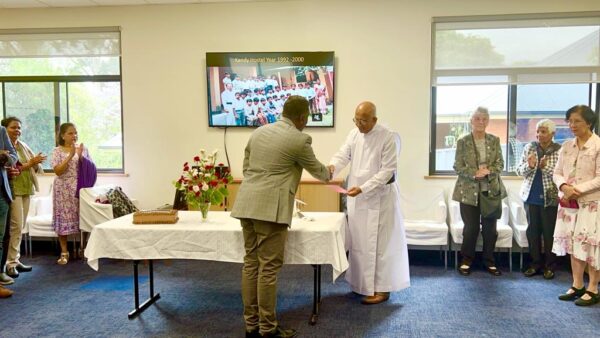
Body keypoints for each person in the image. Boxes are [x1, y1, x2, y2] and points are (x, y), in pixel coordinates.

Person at [231, 95, 330, 338]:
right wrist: (330, 172)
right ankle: (267, 328)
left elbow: (246, 167)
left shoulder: (258, 132)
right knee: (268, 269)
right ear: (302, 118)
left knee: (251, 263)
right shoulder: (299, 139)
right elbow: (319, 172)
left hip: (246, 203)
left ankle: (251, 325)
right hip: (270, 211)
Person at [328, 101, 410, 305]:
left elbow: (387, 171)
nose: (359, 124)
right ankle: (361, 285)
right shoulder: (354, 133)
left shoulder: (388, 136)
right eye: (356, 120)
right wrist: (331, 168)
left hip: (381, 198)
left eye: (364, 121)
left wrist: (364, 187)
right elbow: (342, 154)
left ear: (374, 119)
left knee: (381, 245)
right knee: (360, 243)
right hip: (358, 198)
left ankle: (382, 289)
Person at [553, 105, 600, 306]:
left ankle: (593, 288)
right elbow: (556, 172)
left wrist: (576, 189)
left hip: (591, 204)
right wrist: (563, 186)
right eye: (570, 121)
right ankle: (577, 284)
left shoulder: (597, 145)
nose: (572, 125)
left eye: (577, 121)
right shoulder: (567, 146)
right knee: (573, 244)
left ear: (589, 122)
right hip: (568, 204)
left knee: (590, 246)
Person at [452, 106, 507, 276]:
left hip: (490, 191)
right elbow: (457, 166)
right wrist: (474, 173)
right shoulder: (463, 141)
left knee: (490, 229)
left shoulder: (494, 140)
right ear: (471, 121)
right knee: (471, 228)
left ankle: (489, 261)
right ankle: (466, 260)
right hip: (468, 191)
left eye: (484, 119)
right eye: (477, 119)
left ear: (488, 121)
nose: (481, 122)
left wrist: (487, 171)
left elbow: (500, 164)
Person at [515, 119, 561, 279]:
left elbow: (560, 175)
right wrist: (531, 165)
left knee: (549, 234)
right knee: (532, 232)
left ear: (552, 134)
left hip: (550, 199)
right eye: (538, 131)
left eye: (543, 132)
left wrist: (545, 167)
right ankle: (534, 264)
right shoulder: (529, 147)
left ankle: (549, 266)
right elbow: (519, 171)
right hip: (530, 197)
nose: (539, 135)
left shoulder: (559, 150)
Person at [2, 117, 46, 279]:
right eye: (13, 127)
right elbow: (12, 168)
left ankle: (16, 259)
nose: (17, 130)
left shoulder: (22, 145)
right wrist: (30, 163)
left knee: (20, 227)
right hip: (13, 190)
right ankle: (10, 263)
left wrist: (36, 162)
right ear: (4, 130)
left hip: (26, 188)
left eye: (19, 128)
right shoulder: (3, 147)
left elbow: (35, 166)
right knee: (15, 227)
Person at [51, 123, 93, 265]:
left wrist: (82, 158)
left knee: (84, 217)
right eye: (70, 133)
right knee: (63, 218)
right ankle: (64, 252)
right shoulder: (57, 151)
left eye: (75, 133)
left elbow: (90, 169)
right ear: (62, 135)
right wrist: (70, 155)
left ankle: (84, 248)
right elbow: (58, 171)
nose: (74, 136)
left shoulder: (83, 149)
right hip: (63, 188)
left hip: (80, 188)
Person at [0, 125, 17, 298]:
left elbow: (14, 157)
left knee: (1, 237)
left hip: (1, 192)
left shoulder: (1, 131)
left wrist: (5, 156)